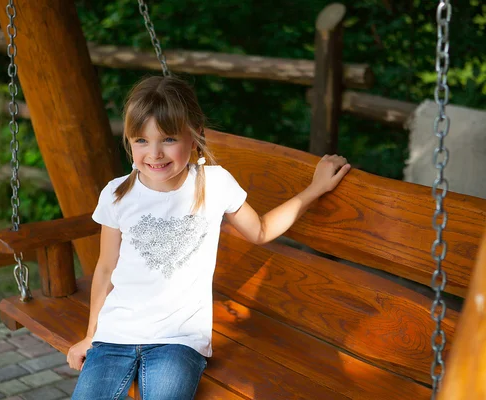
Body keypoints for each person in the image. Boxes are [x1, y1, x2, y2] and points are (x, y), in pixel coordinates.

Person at [68, 75, 351, 400]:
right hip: (115, 334)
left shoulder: (213, 184)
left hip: (178, 340)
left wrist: (315, 189)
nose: (155, 153)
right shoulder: (117, 193)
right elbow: (105, 269)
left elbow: (260, 231)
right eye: (141, 140)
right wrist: (91, 336)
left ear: (195, 134)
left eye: (168, 139)